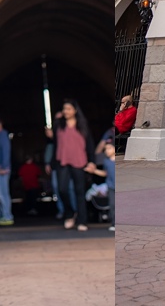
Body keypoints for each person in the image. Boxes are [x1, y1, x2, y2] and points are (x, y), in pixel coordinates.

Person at [51, 99, 97, 231]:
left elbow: (90, 144)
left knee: (79, 192)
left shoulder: (82, 124)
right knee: (62, 190)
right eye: (64, 109)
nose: (66, 111)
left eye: (69, 109)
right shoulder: (59, 124)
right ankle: (70, 213)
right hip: (62, 160)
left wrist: (92, 161)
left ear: (75, 110)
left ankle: (82, 221)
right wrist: (51, 162)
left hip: (79, 161)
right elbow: (55, 144)